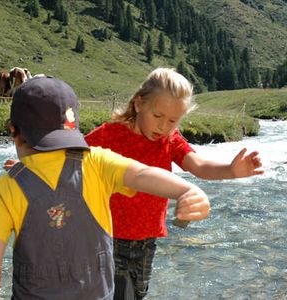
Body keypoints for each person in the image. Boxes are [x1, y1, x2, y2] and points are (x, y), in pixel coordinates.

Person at [0, 76, 211, 300]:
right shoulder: (97, 161)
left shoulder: (5, 187)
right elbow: (142, 174)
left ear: (14, 131)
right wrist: (187, 190)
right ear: (73, 127)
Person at [83, 67, 264, 299]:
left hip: (147, 240)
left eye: (173, 121)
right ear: (139, 104)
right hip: (106, 236)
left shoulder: (170, 140)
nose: (163, 127)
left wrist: (230, 170)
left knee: (137, 293)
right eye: (157, 116)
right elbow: (69, 158)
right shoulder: (108, 135)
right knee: (113, 292)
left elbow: (198, 166)